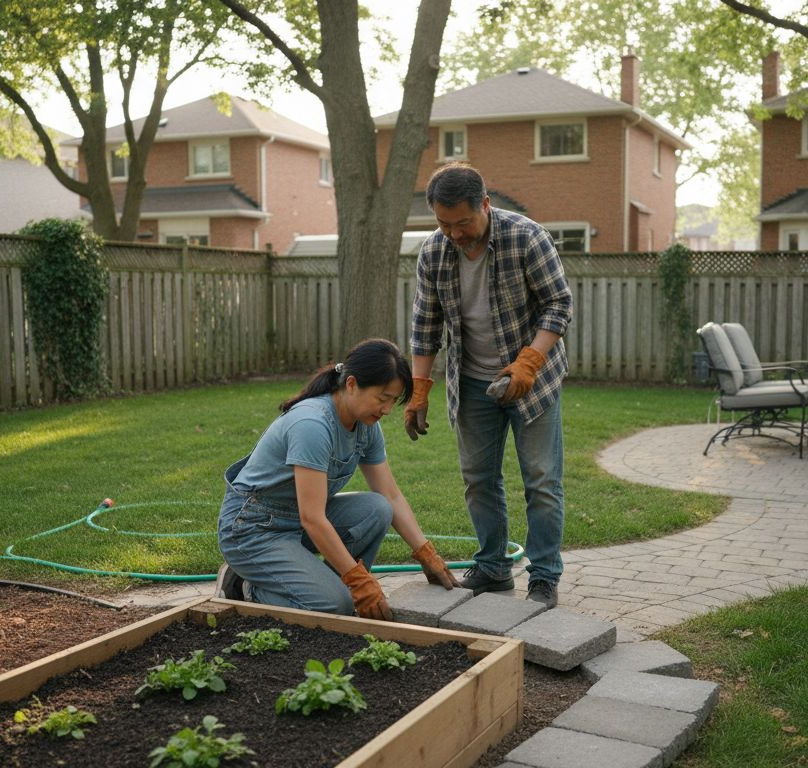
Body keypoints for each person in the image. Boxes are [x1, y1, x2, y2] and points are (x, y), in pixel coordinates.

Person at [404, 162, 574, 608]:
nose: (454, 233)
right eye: (444, 223)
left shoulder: (526, 237)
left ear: (485, 204)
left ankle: (544, 577)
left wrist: (529, 361)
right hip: (473, 382)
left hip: (533, 381)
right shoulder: (434, 252)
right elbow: (426, 326)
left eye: (463, 222)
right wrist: (419, 387)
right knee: (479, 479)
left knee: (540, 480)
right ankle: (494, 569)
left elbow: (558, 304)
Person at [216, 338, 456, 619]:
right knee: (336, 605)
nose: (388, 410)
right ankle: (245, 587)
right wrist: (359, 581)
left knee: (378, 508)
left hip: (294, 521)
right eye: (382, 398)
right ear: (352, 384)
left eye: (393, 401)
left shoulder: (366, 426)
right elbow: (313, 518)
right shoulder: (313, 425)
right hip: (253, 529)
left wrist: (426, 553)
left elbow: (390, 495)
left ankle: (321, 589)